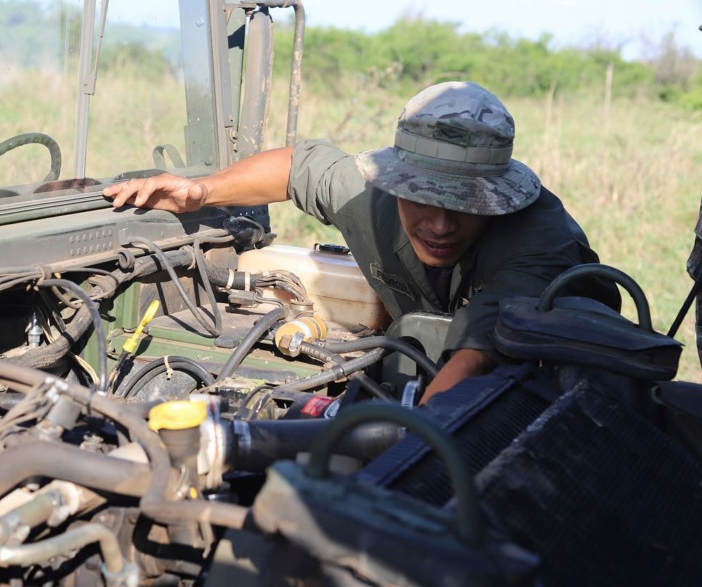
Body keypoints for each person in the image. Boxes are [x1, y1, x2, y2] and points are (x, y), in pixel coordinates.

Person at [103, 81, 619, 404]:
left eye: (463, 206)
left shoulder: (538, 240)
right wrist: (201, 192)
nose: (440, 225)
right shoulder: (366, 193)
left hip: (537, 388)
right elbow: (299, 166)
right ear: (395, 182)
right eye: (421, 199)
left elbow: (477, 356)